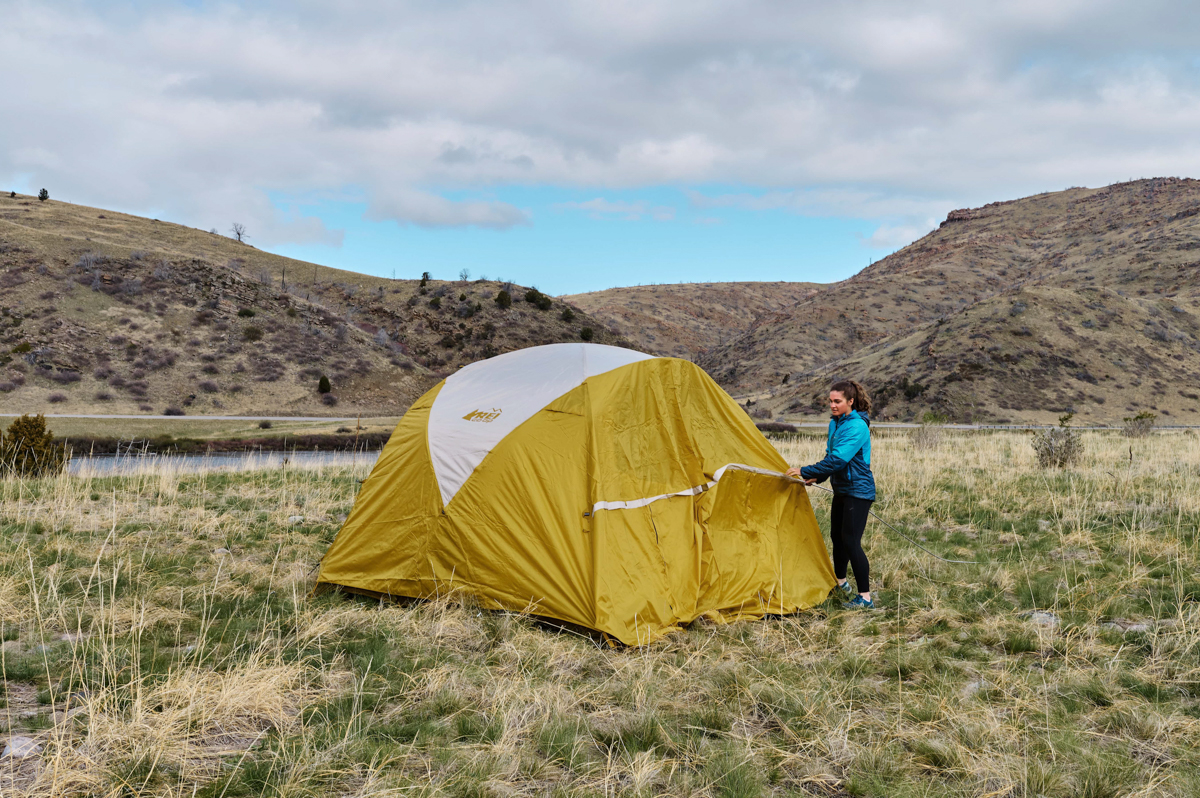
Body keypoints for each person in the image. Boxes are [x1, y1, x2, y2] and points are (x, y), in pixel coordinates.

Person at [785, 379, 876, 609]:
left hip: (858, 491)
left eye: (837, 401)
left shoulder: (857, 426)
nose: (832, 405)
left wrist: (805, 470)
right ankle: (841, 583)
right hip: (842, 489)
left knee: (851, 541)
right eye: (830, 401)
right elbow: (830, 458)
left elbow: (838, 460)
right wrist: (818, 477)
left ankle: (865, 598)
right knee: (837, 537)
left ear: (851, 401)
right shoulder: (834, 424)